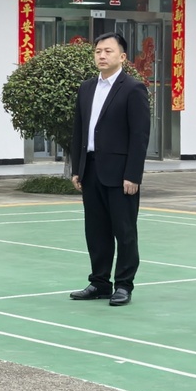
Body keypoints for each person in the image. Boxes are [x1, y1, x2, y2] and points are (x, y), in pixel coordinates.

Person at [67, 33, 151, 307]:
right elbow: (80, 130)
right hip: (91, 169)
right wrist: (77, 167)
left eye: (108, 51)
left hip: (120, 173)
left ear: (123, 57)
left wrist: (133, 174)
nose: (102, 56)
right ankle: (100, 282)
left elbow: (139, 136)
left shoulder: (133, 88)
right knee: (96, 230)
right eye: (98, 51)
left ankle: (124, 285)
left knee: (124, 231)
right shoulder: (87, 87)